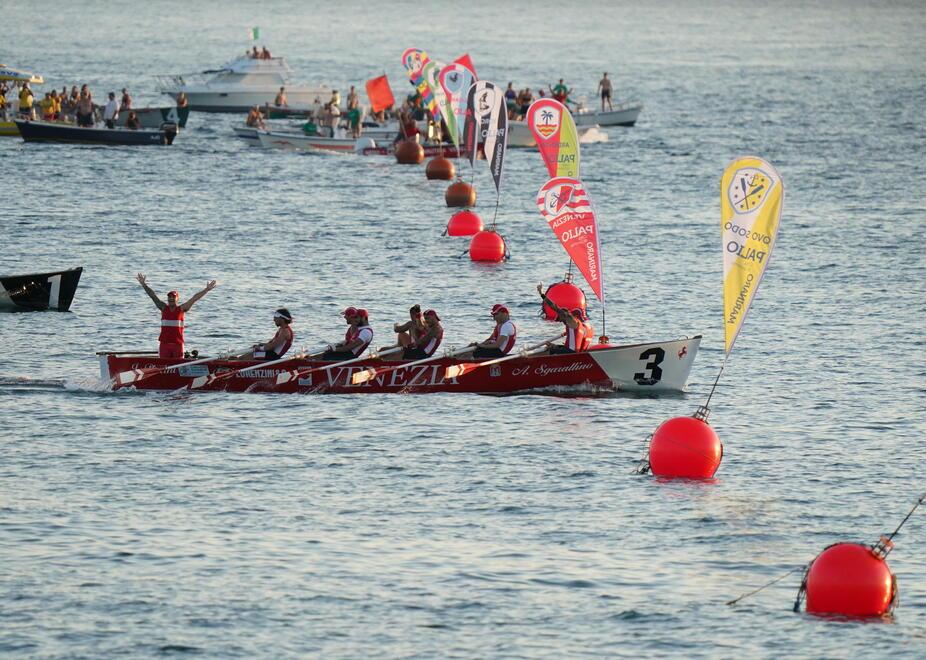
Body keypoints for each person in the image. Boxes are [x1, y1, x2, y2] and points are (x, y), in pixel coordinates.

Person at [136, 273, 218, 358]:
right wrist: (144, 284)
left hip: (178, 345)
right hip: (164, 344)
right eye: (169, 297)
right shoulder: (163, 308)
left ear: (177, 299)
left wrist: (206, 290)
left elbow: (194, 298)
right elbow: (153, 296)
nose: (171, 299)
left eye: (173, 297)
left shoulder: (182, 309)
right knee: (163, 363)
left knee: (178, 363)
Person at [536, 284, 593, 354]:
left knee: (549, 351)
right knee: (552, 347)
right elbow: (572, 345)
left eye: (560, 318)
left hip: (570, 353)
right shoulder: (581, 326)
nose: (561, 321)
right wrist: (555, 346)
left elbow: (553, 306)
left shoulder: (571, 320)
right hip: (572, 352)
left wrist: (541, 294)